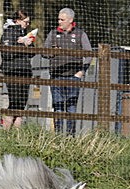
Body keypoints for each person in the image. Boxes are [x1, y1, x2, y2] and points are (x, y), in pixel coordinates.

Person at [44, 7, 92, 136]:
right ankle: (58, 136)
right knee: (58, 108)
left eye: (62, 19)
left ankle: (71, 137)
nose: (59, 21)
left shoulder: (80, 34)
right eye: (58, 19)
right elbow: (44, 52)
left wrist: (81, 71)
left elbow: (89, 54)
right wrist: (51, 53)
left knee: (71, 108)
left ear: (70, 20)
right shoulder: (53, 34)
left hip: (73, 77)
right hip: (56, 77)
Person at [0, 9, 36, 130]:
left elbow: (32, 54)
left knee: (21, 105)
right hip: (13, 71)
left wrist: (29, 43)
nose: (27, 24)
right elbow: (6, 54)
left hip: (25, 71)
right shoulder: (8, 32)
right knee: (14, 102)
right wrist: (22, 45)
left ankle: (17, 136)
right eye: (26, 22)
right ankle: (5, 133)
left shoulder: (25, 33)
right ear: (18, 20)